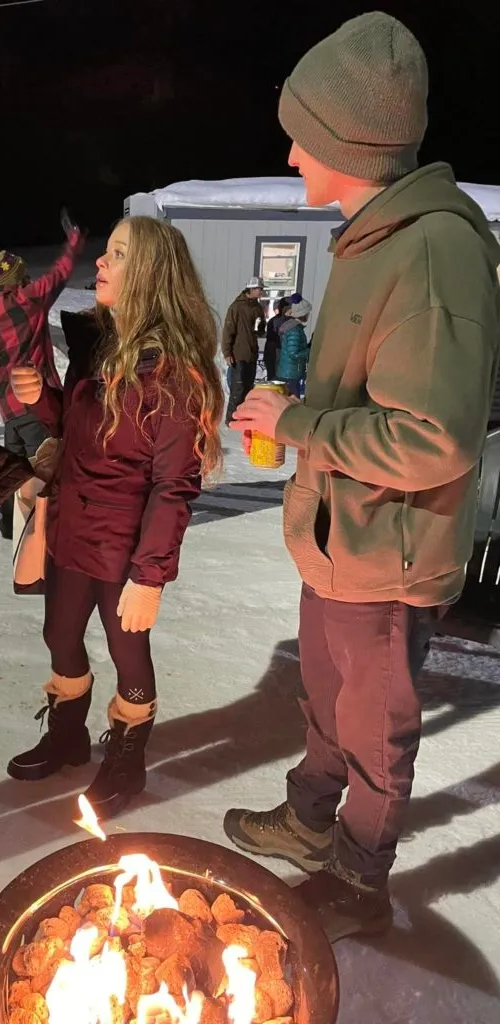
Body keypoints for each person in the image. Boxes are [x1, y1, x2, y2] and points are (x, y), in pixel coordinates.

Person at [225, 13, 500, 942]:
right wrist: (299, 406)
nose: (289, 155)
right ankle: (310, 822)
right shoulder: (372, 238)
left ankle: (357, 875)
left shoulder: (431, 251)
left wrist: (299, 424)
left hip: (387, 555)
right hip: (341, 544)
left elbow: (434, 437)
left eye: (301, 136)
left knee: (377, 732)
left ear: (348, 140)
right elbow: (377, 392)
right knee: (326, 704)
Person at [7, 216, 224, 818]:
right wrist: (43, 401)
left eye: (118, 255)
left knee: (128, 654)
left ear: (150, 273)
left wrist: (149, 576)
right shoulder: (102, 347)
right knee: (59, 636)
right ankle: (67, 735)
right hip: (71, 529)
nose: (100, 263)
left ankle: (127, 760)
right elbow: (83, 432)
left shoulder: (172, 373)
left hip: (124, 546)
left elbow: (174, 486)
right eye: (105, 252)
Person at [0, 225, 84, 539]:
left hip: (8, 407)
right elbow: (60, 273)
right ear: (18, 276)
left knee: (13, 469)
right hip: (37, 401)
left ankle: (10, 526)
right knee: (45, 466)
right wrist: (76, 239)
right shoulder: (28, 299)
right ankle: (41, 531)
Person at [222, 275, 265, 424]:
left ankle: (244, 417)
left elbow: (260, 331)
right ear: (251, 289)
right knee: (238, 389)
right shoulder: (236, 307)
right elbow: (228, 330)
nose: (261, 292)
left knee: (248, 388)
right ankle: (231, 419)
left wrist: (261, 327)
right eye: (259, 289)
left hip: (251, 353)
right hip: (238, 353)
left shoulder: (258, 308)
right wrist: (227, 352)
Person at [276, 298, 312, 396]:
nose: (308, 315)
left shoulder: (293, 328)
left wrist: (309, 345)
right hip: (291, 373)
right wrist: (310, 351)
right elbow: (294, 353)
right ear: (303, 313)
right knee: (292, 400)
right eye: (308, 313)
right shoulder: (295, 330)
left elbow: (296, 348)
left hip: (289, 372)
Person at [264, 296, 290, 381]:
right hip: (278, 352)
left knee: (272, 377)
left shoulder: (273, 320)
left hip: (271, 352)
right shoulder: (287, 322)